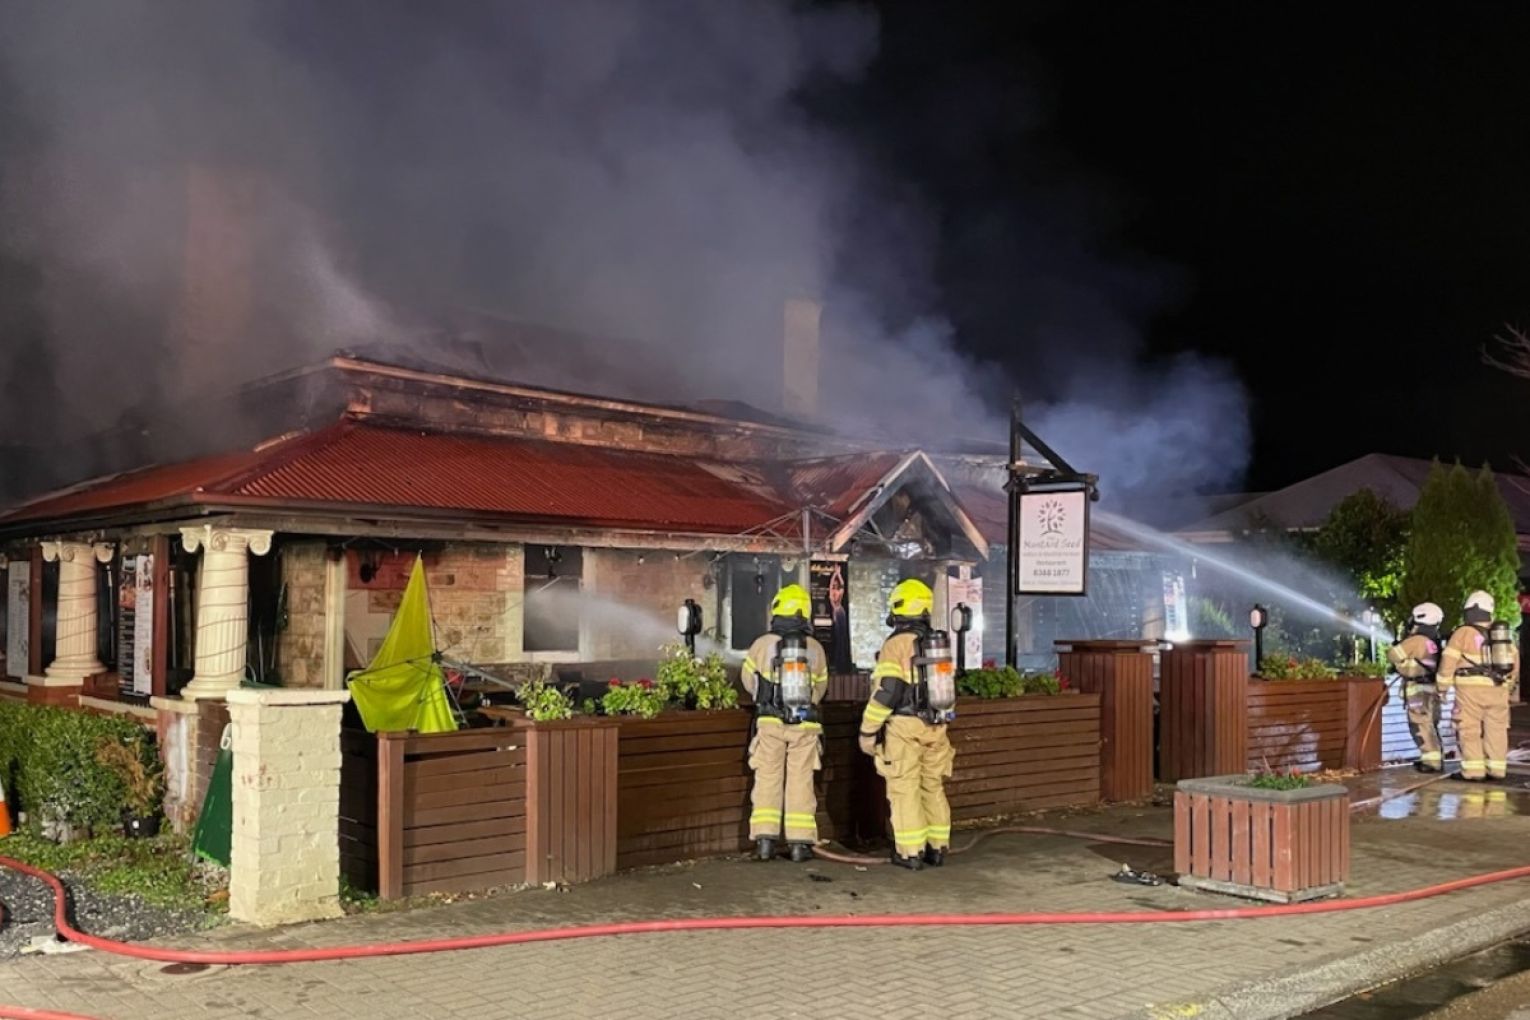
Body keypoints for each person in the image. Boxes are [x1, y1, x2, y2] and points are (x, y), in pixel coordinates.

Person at [858, 578, 956, 871]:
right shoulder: (938, 643)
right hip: (936, 726)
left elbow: (887, 692)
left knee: (905, 789)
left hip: (904, 727)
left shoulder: (896, 644)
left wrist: (867, 730)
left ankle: (910, 852)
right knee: (932, 787)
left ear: (899, 607)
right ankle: (937, 848)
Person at [740, 584, 829, 862]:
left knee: (767, 778)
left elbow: (748, 682)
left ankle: (765, 842)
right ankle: (800, 845)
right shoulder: (815, 648)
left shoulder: (761, 645)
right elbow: (821, 689)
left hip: (770, 722)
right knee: (801, 781)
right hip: (805, 725)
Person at [1437, 590, 1520, 782]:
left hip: (1469, 691)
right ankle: (1497, 769)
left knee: (1468, 729)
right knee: (1497, 729)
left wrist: (1442, 687)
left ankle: (1473, 771)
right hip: (1498, 689)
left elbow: (1448, 662)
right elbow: (1514, 663)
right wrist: (1508, 687)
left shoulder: (1462, 633)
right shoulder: (1502, 634)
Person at [1387, 602, 1445, 772]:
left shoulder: (1416, 640)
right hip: (1431, 688)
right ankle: (1435, 758)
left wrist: (1398, 645)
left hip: (1418, 691)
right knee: (1430, 724)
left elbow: (1392, 655)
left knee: (1420, 724)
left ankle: (1431, 762)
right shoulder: (1433, 641)